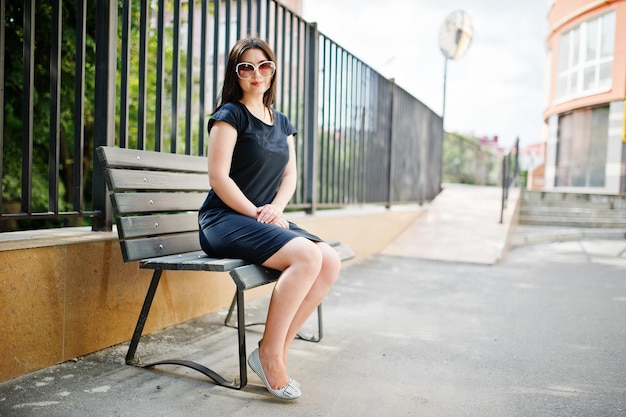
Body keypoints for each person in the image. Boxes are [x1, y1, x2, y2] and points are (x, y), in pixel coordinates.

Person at [198, 38, 341, 400]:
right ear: (236, 74)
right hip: (224, 219)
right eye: (246, 67)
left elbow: (289, 176)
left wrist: (275, 208)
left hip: (261, 219)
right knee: (307, 256)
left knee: (329, 261)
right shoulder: (229, 116)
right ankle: (269, 356)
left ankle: (276, 349)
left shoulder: (282, 122)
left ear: (273, 70)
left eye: (264, 66)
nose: (256, 74)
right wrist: (259, 213)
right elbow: (219, 178)